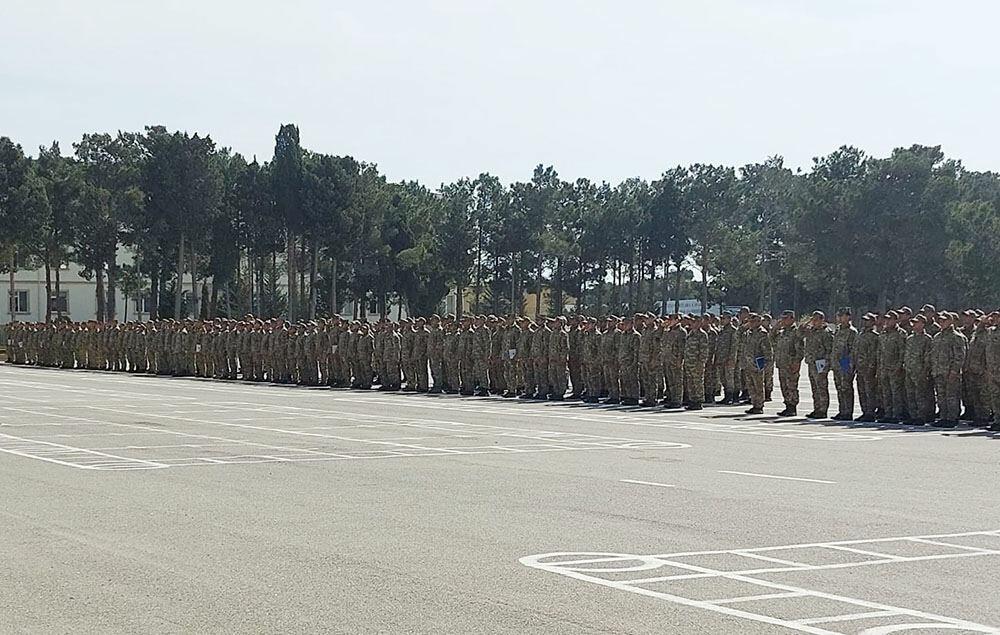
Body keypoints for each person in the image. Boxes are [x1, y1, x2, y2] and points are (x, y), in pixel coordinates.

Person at [931, 312, 967, 427]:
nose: (941, 323)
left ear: (950, 321)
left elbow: (960, 356)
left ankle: (952, 418)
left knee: (952, 396)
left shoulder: (956, 337)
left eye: (944, 320)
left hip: (950, 372)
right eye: (940, 321)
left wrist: (954, 371)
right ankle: (943, 417)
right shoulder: (937, 337)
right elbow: (933, 355)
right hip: (938, 371)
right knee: (941, 396)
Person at [802, 311, 834, 419]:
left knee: (821, 388)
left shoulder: (826, 332)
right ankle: (817, 408)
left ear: (822, 320)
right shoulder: (811, 331)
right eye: (813, 319)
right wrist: (807, 322)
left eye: (816, 319)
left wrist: (826, 365)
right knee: (814, 388)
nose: (814, 322)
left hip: (821, 363)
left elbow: (829, 350)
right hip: (811, 363)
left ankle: (823, 410)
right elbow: (799, 333)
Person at [773, 310, 803, 417]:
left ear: (792, 319)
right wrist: (775, 328)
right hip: (782, 364)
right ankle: (787, 406)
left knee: (792, 386)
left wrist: (797, 362)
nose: (783, 320)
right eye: (782, 318)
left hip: (791, 364)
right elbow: (771, 340)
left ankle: (792, 407)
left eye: (786, 318)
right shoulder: (782, 332)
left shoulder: (796, 332)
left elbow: (800, 349)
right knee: (784, 386)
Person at [831, 308, 858, 421]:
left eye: (842, 316)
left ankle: (848, 412)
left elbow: (853, 350)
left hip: (845, 363)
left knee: (846, 388)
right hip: (837, 363)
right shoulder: (838, 330)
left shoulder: (852, 332)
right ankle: (842, 410)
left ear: (848, 317)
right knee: (839, 388)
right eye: (839, 315)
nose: (839, 318)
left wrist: (849, 364)